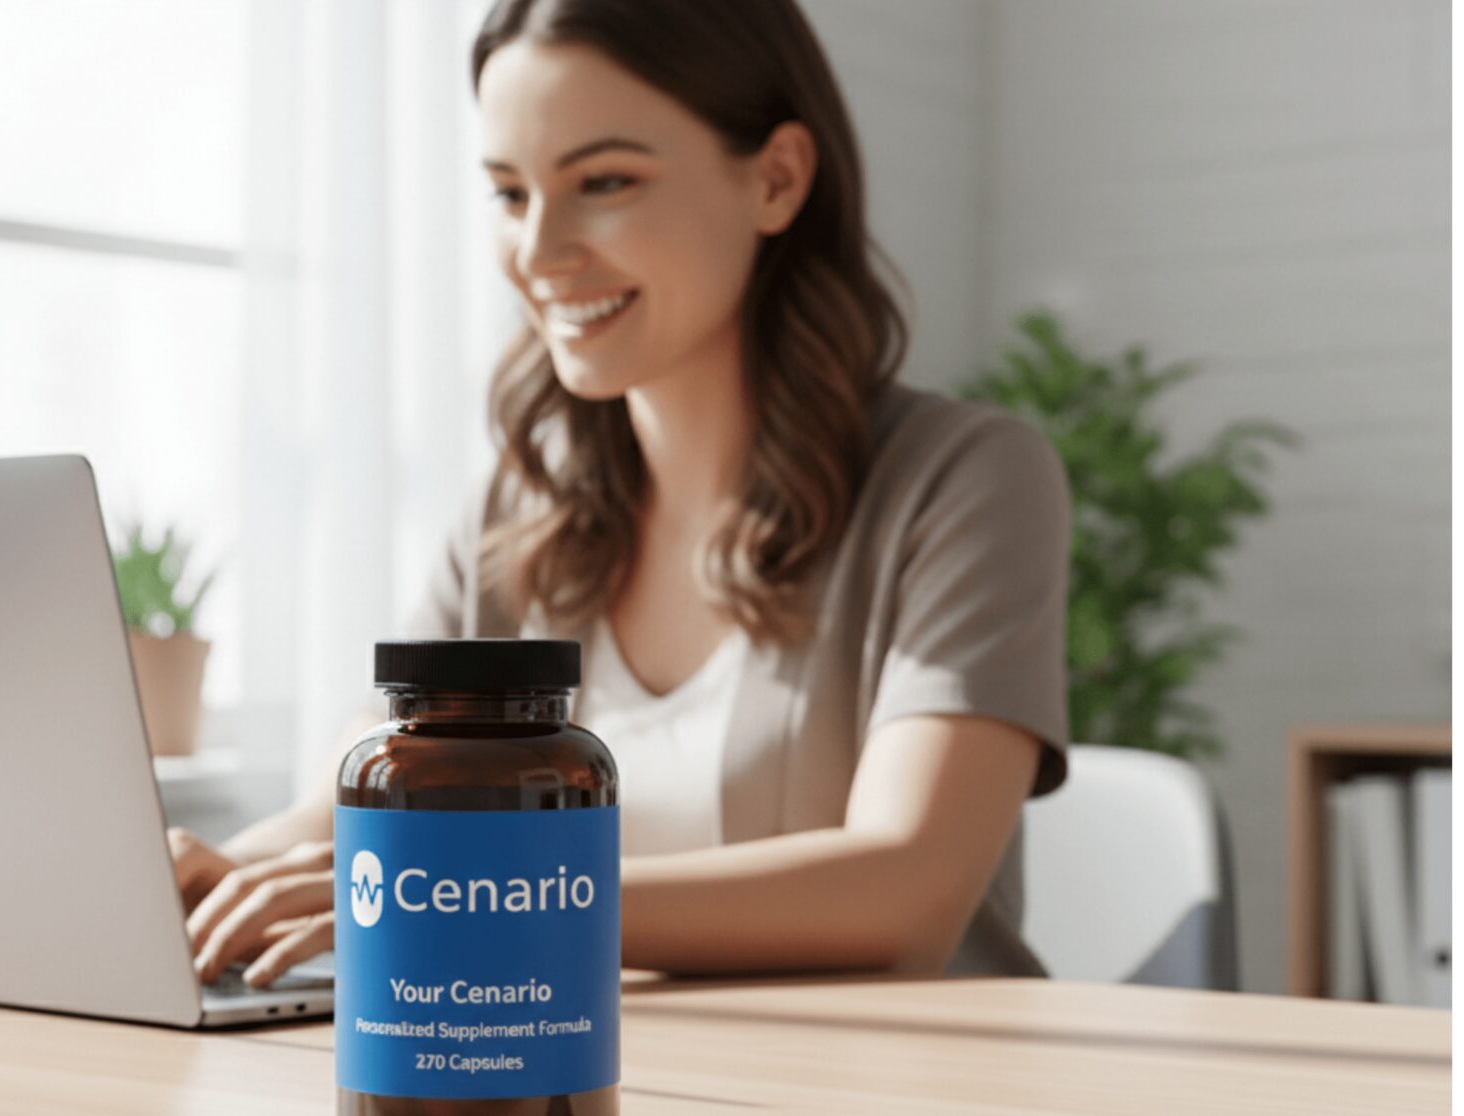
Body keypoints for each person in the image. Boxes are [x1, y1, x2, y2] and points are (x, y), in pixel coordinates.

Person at [172, 0, 1071, 990]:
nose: (541, 251)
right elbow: (343, 822)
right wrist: (217, 879)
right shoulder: (515, 516)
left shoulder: (964, 480)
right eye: (511, 195)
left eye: (604, 182)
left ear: (776, 179)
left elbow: (901, 892)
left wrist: (476, 887)